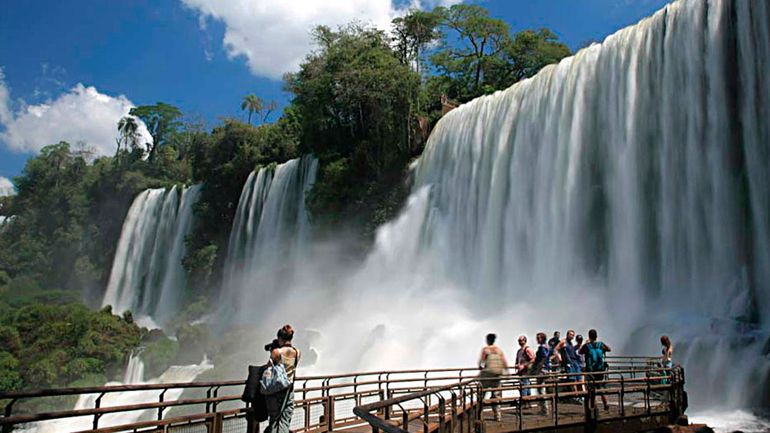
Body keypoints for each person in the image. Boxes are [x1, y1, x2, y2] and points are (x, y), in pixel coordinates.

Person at [265, 325, 301, 433]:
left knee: (274, 420)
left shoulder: (276, 352)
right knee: (285, 420)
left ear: (280, 338)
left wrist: (272, 351)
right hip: (289, 391)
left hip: (276, 392)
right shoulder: (297, 352)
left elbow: (268, 369)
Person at [478, 333, 509, 421]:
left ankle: (479, 415)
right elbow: (504, 361)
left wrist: (481, 368)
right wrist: (507, 372)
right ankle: (497, 416)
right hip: (497, 375)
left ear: (487, 340)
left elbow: (481, 363)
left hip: (488, 375)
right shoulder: (498, 350)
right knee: (496, 395)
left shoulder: (486, 350)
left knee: (482, 394)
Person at [579, 329, 611, 411]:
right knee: (600, 387)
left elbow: (580, 352)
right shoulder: (601, 344)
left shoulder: (587, 346)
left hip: (590, 371)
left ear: (589, 337)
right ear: (596, 336)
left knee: (591, 388)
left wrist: (586, 343)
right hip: (600, 369)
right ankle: (606, 403)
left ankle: (594, 406)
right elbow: (609, 349)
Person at [532, 332, 552, 415]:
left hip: (542, 370)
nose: (537, 339)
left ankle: (544, 409)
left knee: (540, 389)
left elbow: (544, 356)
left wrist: (540, 365)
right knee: (542, 388)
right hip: (547, 369)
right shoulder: (547, 346)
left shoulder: (541, 348)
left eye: (538, 338)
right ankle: (545, 408)